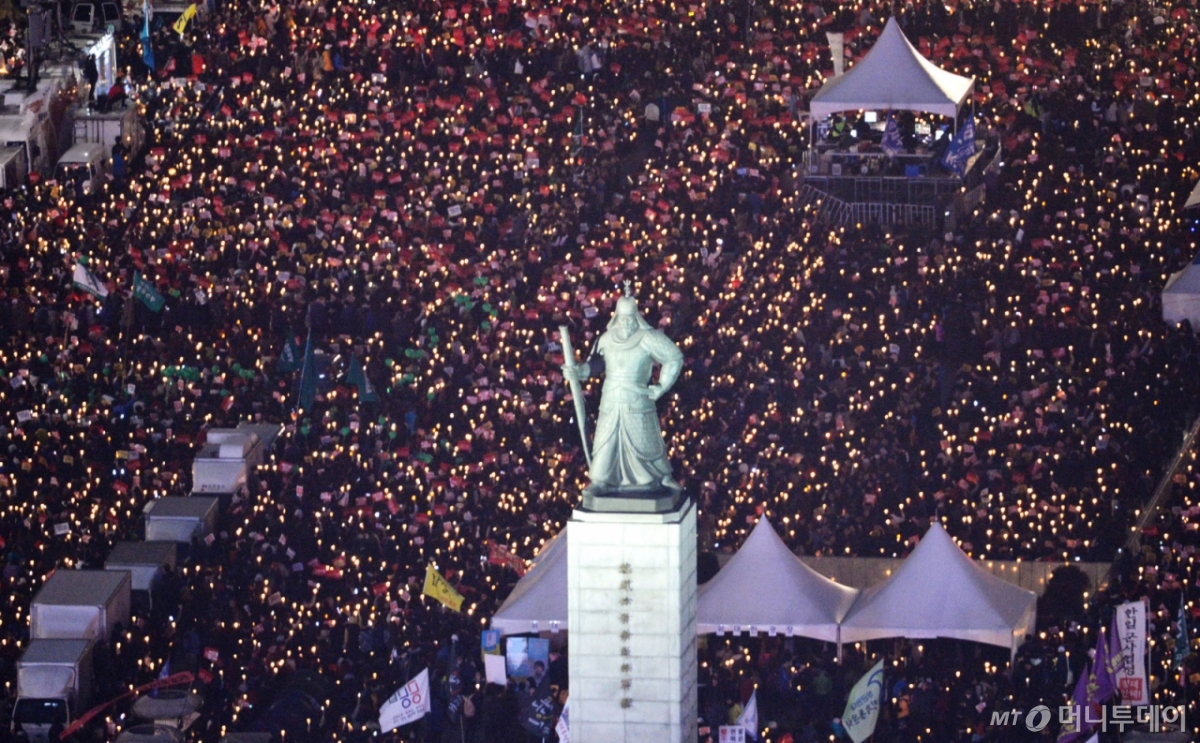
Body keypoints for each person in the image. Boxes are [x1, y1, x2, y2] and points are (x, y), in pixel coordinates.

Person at [563, 288, 683, 499]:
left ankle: (657, 477)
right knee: (606, 442)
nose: (627, 323)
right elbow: (596, 365)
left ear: (637, 316)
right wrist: (578, 371)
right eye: (623, 318)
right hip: (611, 398)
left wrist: (662, 385)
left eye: (630, 318)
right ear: (616, 317)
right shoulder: (606, 339)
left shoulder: (648, 338)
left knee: (644, 441)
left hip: (637, 398)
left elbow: (674, 357)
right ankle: (601, 480)